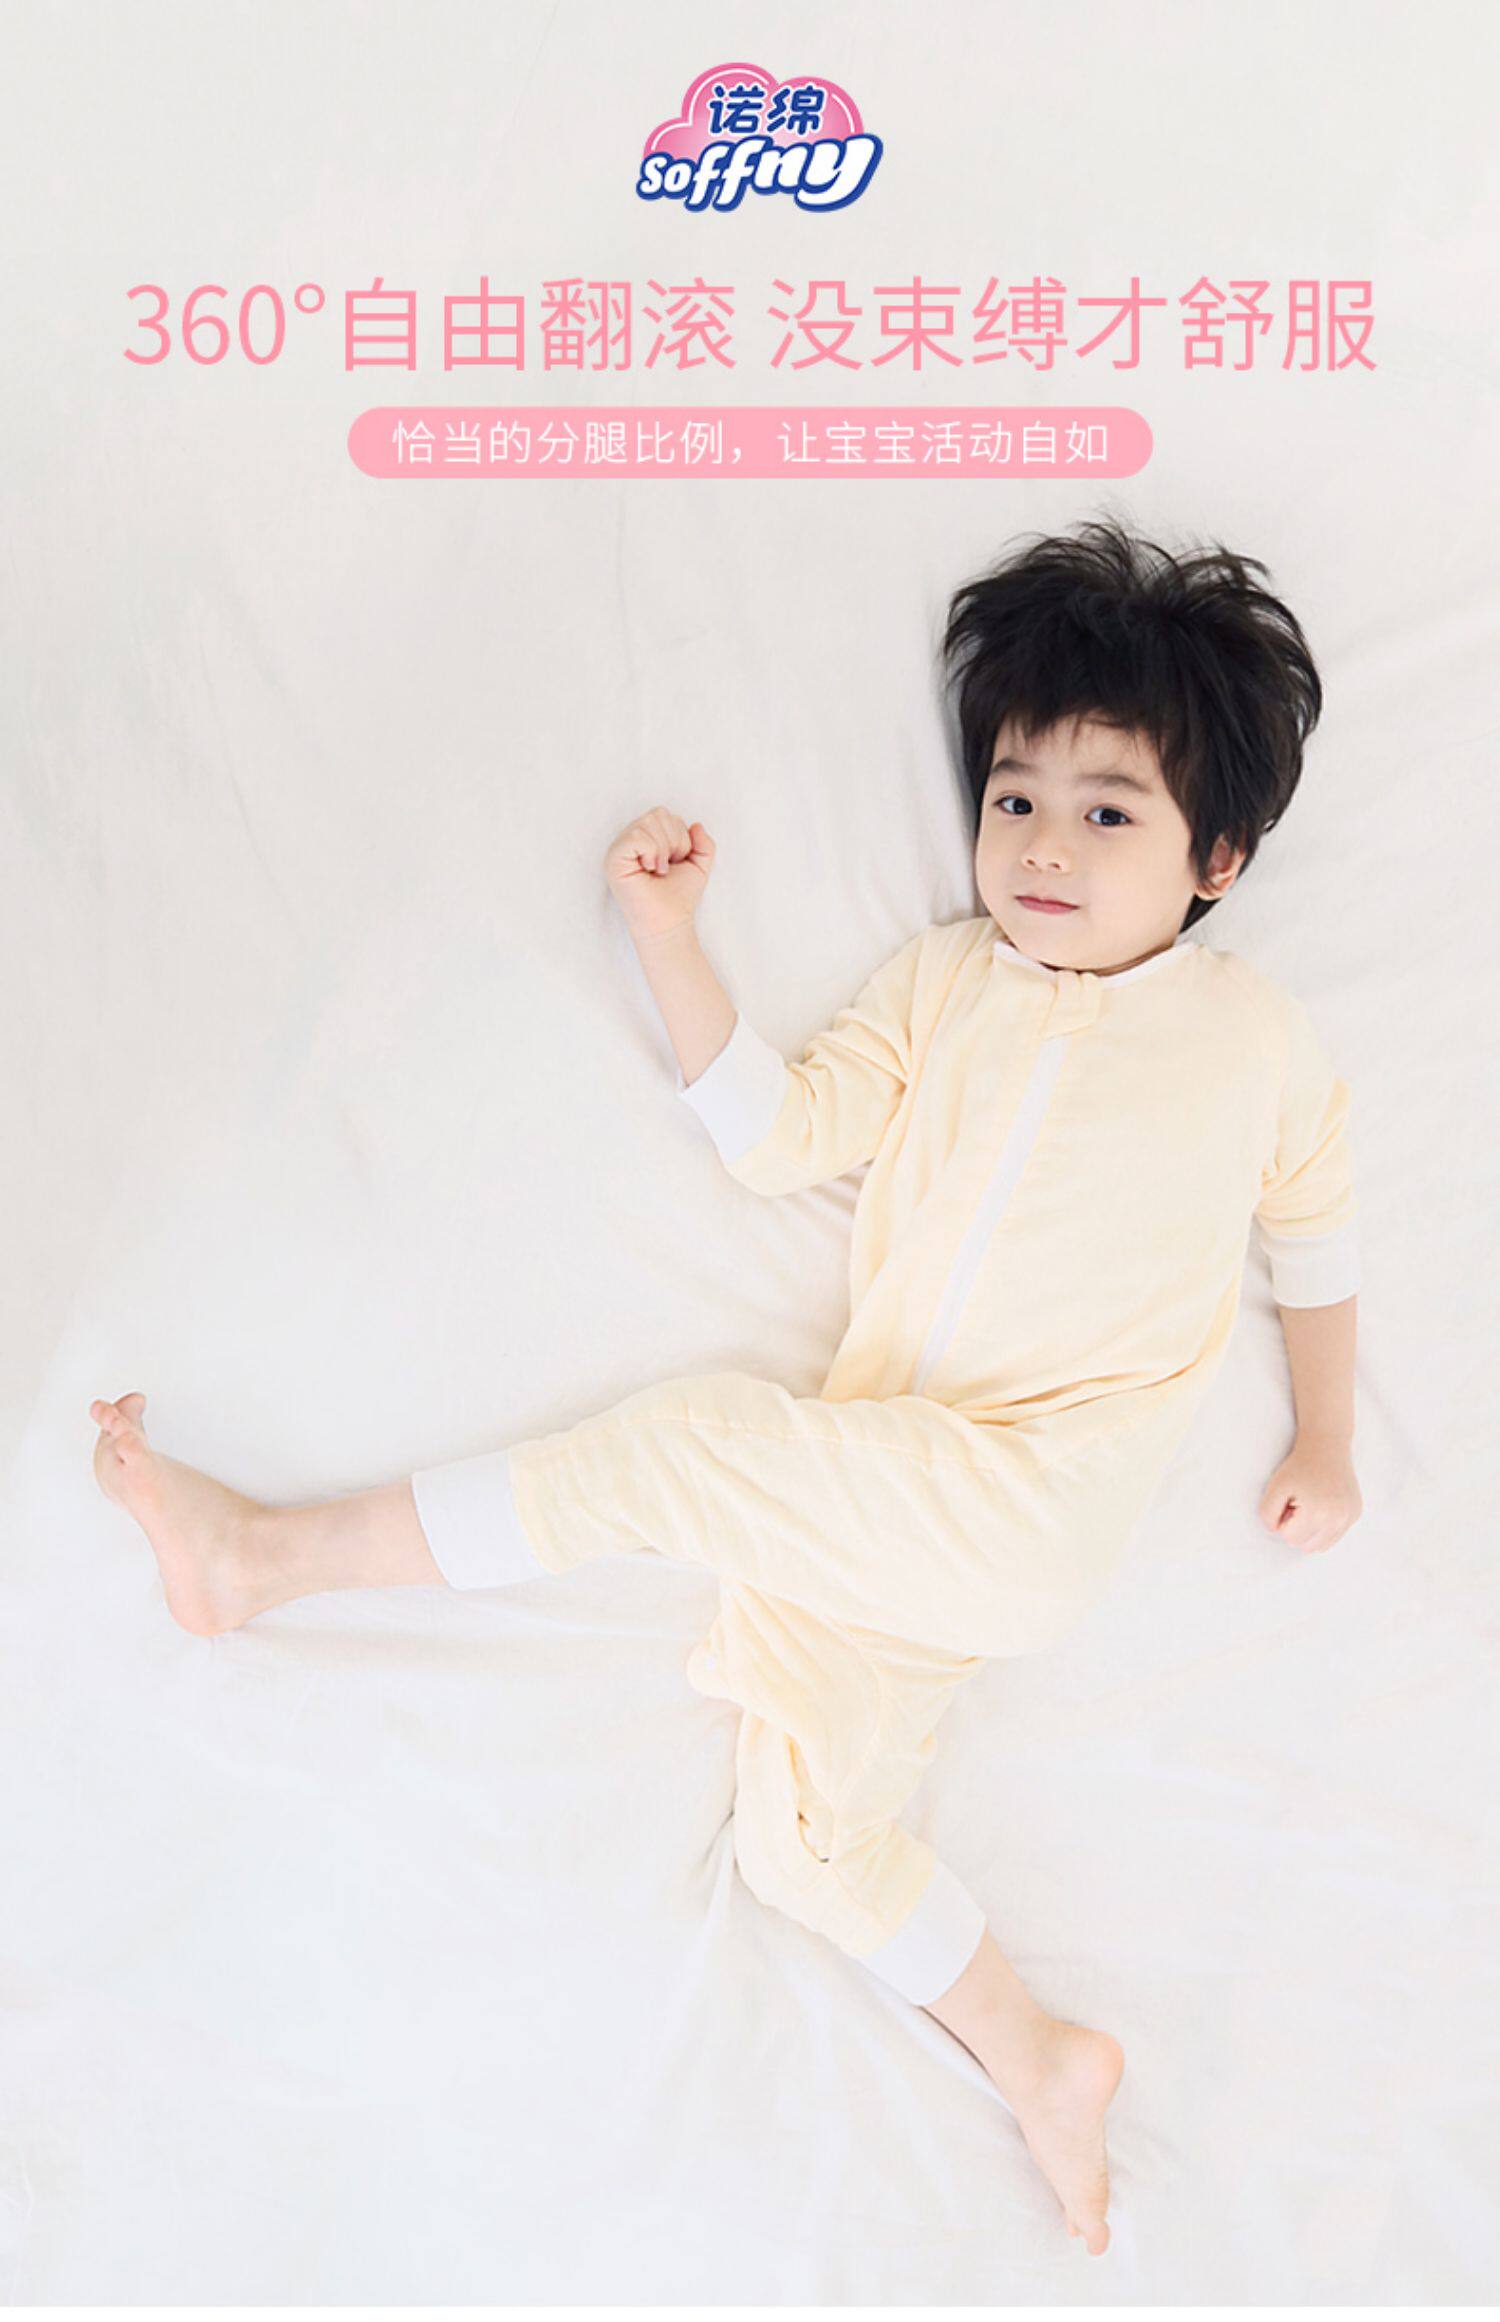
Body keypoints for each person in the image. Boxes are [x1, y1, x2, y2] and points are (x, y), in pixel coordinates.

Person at [88, 516, 1363, 2258]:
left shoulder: (1251, 1037)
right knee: (805, 1839)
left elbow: (1318, 1229)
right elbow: (782, 1134)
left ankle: (267, 1560)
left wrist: (1328, 1433)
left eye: (1108, 813)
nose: (1043, 846)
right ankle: (1041, 2057)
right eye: (1013, 797)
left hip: (1026, 1497)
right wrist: (666, 937)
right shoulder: (947, 984)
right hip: (886, 1495)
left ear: (1215, 857)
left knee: (690, 1445)